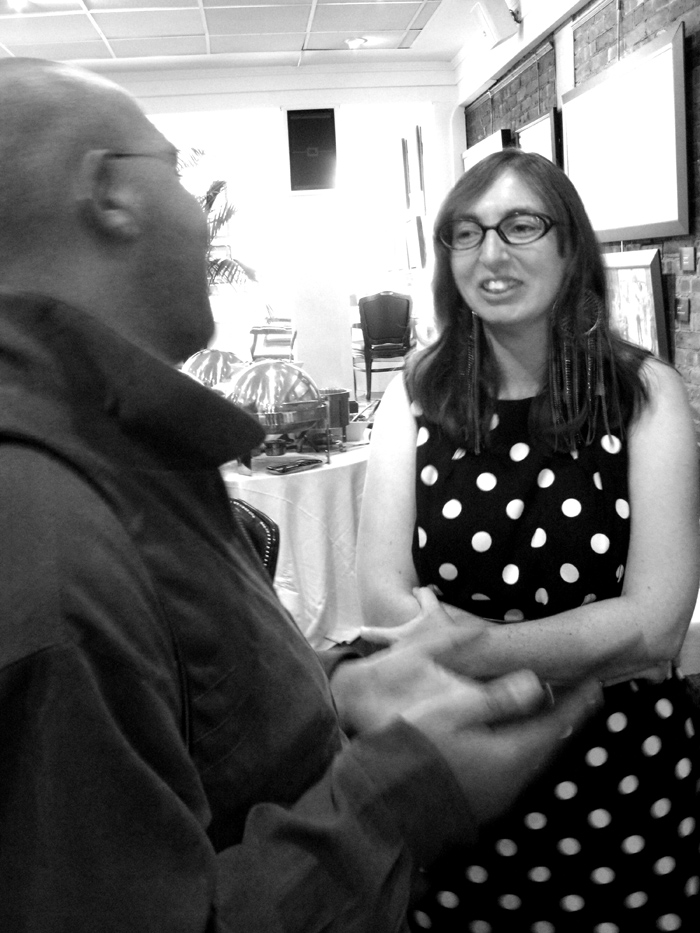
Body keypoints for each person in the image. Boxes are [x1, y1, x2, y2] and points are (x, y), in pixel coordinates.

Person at [0, 59, 603, 932]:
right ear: (109, 194)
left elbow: (182, 697)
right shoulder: (44, 530)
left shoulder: (110, 447)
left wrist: (338, 685)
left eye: (522, 227)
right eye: (174, 171)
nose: (202, 216)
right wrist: (401, 793)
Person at [357, 147, 700, 931]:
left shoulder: (645, 392)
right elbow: (381, 596)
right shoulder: (413, 395)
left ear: (569, 246)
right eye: (467, 232)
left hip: (620, 780)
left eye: (520, 226)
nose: (491, 254)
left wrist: (477, 646)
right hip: (458, 768)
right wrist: (584, 649)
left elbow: (655, 623)